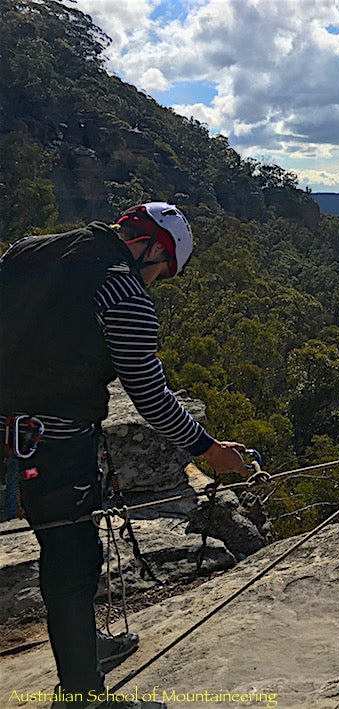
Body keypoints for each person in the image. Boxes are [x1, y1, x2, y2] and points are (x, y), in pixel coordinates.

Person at [0, 202, 250, 709]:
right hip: (54, 441)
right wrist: (207, 450)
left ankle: (82, 647)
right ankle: (82, 695)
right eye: (163, 270)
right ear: (153, 247)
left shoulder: (27, 252)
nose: (157, 281)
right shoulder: (124, 293)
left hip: (12, 427)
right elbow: (152, 397)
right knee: (73, 559)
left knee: (65, 552)